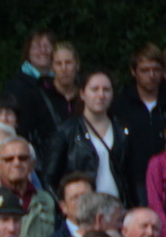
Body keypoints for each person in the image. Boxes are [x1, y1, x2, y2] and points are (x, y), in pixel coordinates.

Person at [44, 70, 133, 204]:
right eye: (94, 89)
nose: (101, 95)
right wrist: (65, 207)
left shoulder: (122, 129)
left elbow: (132, 175)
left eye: (106, 90)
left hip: (117, 208)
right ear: (82, 94)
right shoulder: (66, 131)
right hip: (82, 209)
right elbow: (49, 178)